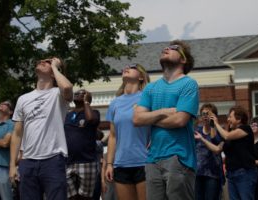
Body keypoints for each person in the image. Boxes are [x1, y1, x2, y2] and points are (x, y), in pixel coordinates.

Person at [133, 40, 199, 200]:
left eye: (174, 48)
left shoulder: (189, 84)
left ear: (183, 60)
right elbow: (136, 119)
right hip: (152, 159)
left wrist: (150, 117)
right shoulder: (151, 88)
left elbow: (180, 120)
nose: (166, 49)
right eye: (166, 47)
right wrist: (163, 111)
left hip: (178, 158)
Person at [9, 57, 73, 200]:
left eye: (48, 62)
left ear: (53, 74)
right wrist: (12, 165)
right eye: (41, 60)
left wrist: (56, 67)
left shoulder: (59, 94)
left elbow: (67, 87)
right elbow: (17, 134)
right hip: (27, 161)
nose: (42, 61)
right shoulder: (23, 99)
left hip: (54, 160)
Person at [105, 63, 150, 200]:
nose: (127, 67)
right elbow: (112, 136)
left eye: (133, 67)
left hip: (145, 162)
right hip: (121, 164)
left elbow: (157, 125)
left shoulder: (147, 98)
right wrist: (109, 164)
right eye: (126, 66)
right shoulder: (114, 103)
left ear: (141, 77)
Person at [198, 106, 257, 200]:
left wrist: (216, 123)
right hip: (231, 174)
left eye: (230, 117)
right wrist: (203, 136)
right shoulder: (230, 134)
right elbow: (216, 145)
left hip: (244, 173)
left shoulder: (245, 129)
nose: (228, 119)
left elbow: (227, 136)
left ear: (239, 119)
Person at [64, 89, 100, 200]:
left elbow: (91, 119)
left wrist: (87, 103)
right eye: (76, 93)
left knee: (85, 197)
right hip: (68, 162)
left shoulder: (94, 113)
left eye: (82, 93)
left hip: (86, 161)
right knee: (71, 197)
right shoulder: (68, 115)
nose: (77, 94)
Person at [194, 103, 224, 200]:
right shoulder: (196, 130)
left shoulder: (220, 131)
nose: (205, 116)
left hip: (213, 174)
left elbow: (217, 147)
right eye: (203, 114)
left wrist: (213, 124)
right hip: (197, 173)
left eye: (208, 114)